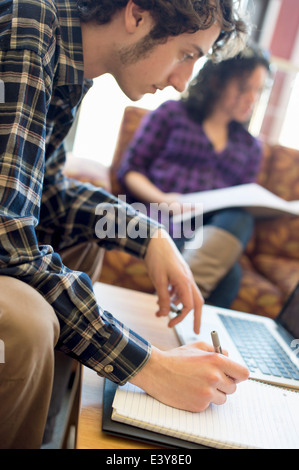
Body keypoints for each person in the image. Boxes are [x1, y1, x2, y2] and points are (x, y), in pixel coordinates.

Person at [0, 0, 249, 449]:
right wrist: (151, 367)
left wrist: (148, 234)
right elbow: (8, 242)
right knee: (26, 319)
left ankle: (55, 432)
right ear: (136, 15)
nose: (181, 82)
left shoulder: (69, 70)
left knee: (86, 239)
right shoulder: (27, 26)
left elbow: (49, 192)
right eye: (187, 54)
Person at [118, 44, 270, 308]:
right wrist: (165, 200)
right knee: (229, 275)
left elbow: (240, 204)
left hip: (208, 233)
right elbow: (130, 170)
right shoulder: (172, 115)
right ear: (217, 80)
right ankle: (178, 312)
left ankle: (174, 306)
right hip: (163, 217)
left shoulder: (250, 147)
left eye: (258, 90)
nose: (251, 98)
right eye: (244, 87)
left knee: (241, 218)